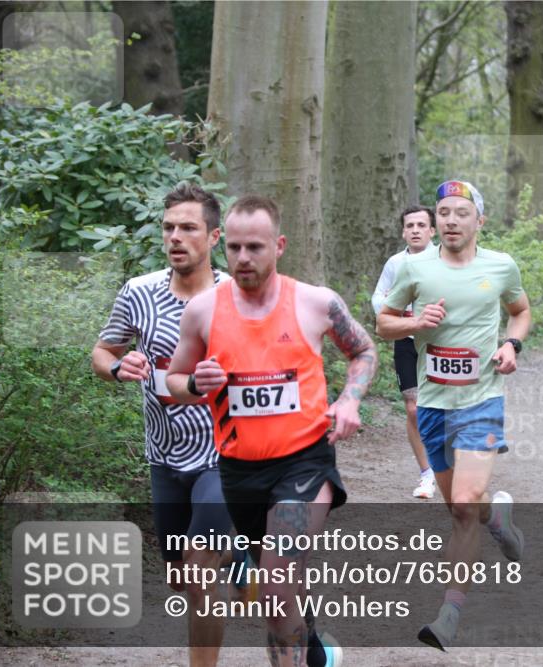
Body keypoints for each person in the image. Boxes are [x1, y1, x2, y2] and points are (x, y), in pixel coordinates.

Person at [167, 194, 375, 667]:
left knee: (275, 590)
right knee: (284, 586)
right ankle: (314, 644)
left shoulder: (316, 303)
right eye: (235, 248)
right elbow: (175, 381)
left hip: (305, 463)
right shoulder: (203, 311)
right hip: (239, 471)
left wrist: (349, 399)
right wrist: (196, 382)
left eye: (255, 247)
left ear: (279, 246)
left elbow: (363, 351)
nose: (242, 258)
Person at [376, 180, 531, 651]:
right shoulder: (414, 267)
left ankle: (449, 616)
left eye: (461, 212)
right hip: (433, 404)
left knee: (464, 504)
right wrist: (414, 324)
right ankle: (499, 520)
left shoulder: (501, 266)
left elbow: (520, 311)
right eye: (444, 212)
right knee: (462, 507)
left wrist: (511, 343)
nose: (450, 220)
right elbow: (384, 322)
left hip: (481, 401)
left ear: (479, 221)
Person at [92, 182, 240, 667]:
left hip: (224, 456)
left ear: (214, 236)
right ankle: (241, 558)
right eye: (169, 228)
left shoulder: (236, 297)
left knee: (199, 576)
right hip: (164, 456)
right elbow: (103, 350)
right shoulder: (139, 292)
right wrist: (118, 367)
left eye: (189, 228)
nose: (176, 237)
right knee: (179, 576)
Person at [371, 205, 438, 499]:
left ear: (432, 231)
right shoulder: (395, 263)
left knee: (443, 409)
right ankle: (426, 475)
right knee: (413, 409)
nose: (415, 230)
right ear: (402, 231)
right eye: (410, 225)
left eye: (421, 225)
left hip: (438, 342)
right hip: (406, 340)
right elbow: (379, 296)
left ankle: (448, 465)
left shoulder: (442, 260)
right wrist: (396, 318)